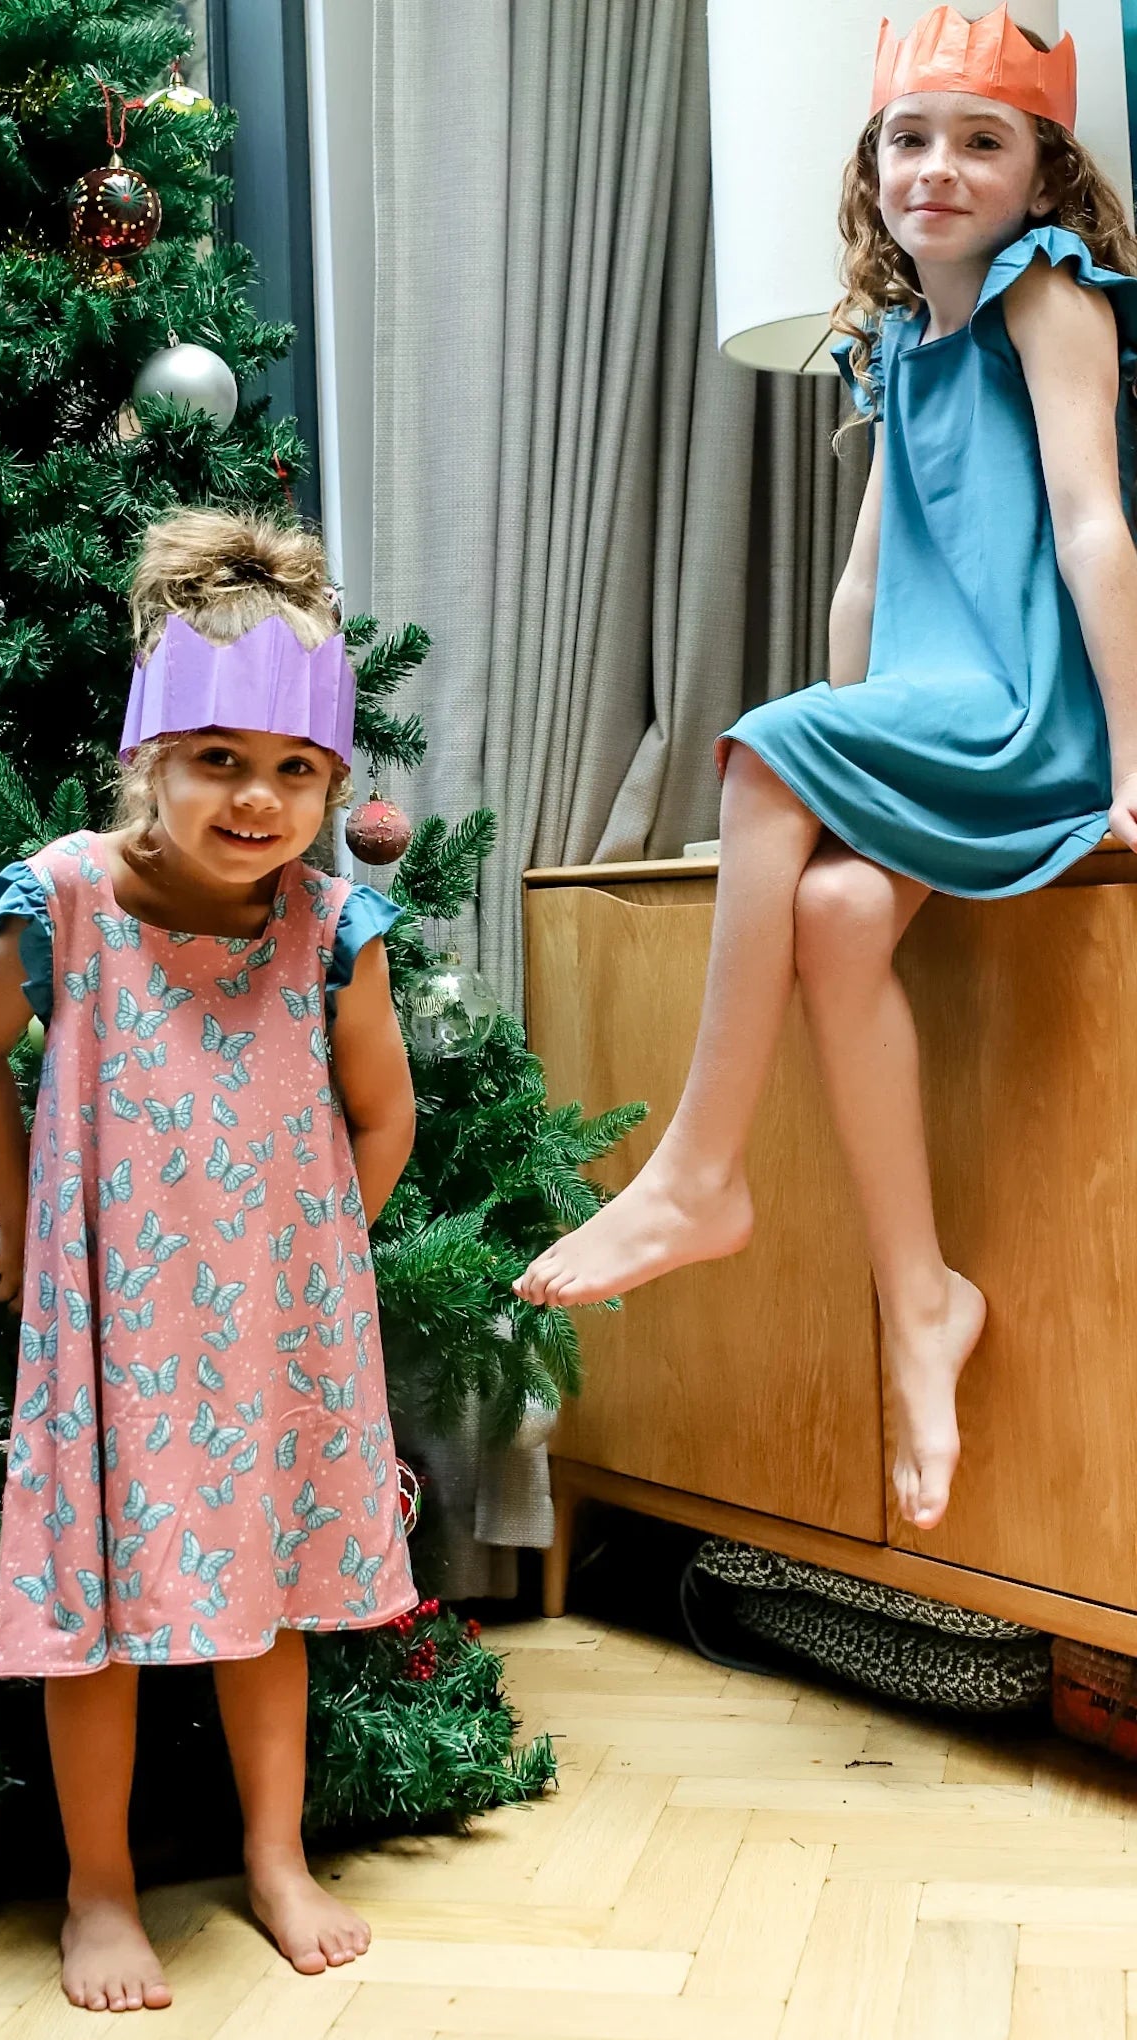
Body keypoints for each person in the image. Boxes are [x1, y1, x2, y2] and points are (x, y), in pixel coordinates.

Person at [516, 4, 1137, 1532]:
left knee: (761, 741)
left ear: (1044, 169)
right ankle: (923, 1299)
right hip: (930, 713)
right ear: (872, 163)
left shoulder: (1048, 295)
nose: (939, 166)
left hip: (1026, 710)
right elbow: (864, 582)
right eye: (910, 138)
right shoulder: (891, 346)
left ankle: (697, 1172)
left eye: (981, 140)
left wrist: (1133, 757)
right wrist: (839, 783)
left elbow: (1092, 526)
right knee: (840, 921)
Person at [0, 508, 418, 2013]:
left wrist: (326, 1254)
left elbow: (381, 1109)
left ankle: (273, 1857)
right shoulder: (68, 897)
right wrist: (21, 1223)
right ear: (150, 759)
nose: (258, 798)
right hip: (108, 1328)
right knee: (102, 1622)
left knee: (266, 1598)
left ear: (332, 785)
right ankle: (98, 1884)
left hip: (271, 1329)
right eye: (219, 759)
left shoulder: (333, 928)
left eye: (295, 771)